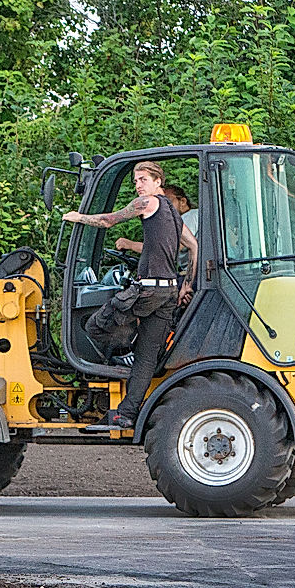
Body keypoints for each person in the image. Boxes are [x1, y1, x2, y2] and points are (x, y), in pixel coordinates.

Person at [62, 161, 198, 431]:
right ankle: (126, 414)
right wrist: (187, 285)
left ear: (158, 182)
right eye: (136, 181)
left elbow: (109, 221)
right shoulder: (173, 211)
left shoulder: (148, 203)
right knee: (147, 359)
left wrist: (79, 218)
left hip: (147, 290)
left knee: (94, 325)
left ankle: (128, 346)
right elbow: (194, 246)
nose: (138, 185)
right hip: (169, 291)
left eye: (143, 179)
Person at [113, 183, 198, 272]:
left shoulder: (190, 216)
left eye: (168, 201)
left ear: (183, 202)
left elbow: (168, 250)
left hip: (195, 277)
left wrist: (131, 245)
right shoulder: (177, 221)